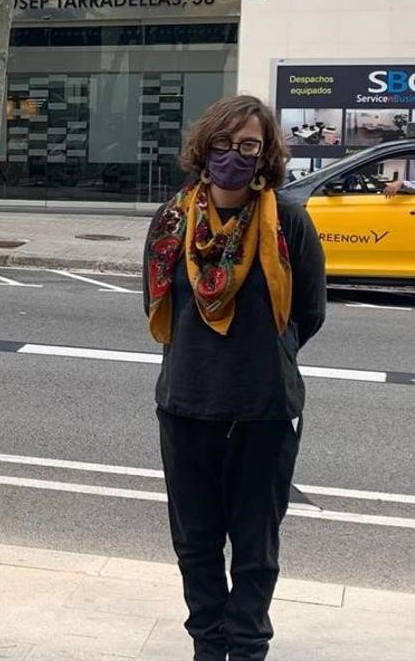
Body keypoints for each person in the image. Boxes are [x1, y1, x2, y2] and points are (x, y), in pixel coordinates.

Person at [142, 95, 327, 661]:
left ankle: (246, 647)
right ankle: (207, 643)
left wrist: (263, 355)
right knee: (195, 544)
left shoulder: (289, 221)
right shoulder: (172, 220)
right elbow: (154, 302)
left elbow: (310, 312)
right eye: (223, 144)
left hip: (263, 410)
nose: (233, 157)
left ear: (265, 153)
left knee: (255, 547)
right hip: (186, 406)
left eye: (248, 146)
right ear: (204, 147)